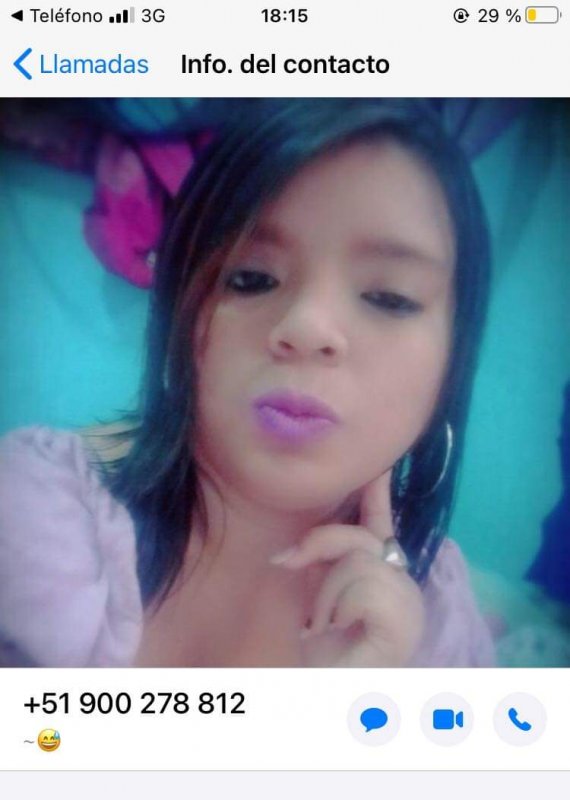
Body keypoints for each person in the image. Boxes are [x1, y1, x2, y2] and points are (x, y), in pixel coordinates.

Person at [0, 99, 495, 667]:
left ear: (454, 360)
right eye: (251, 278)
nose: (306, 327)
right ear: (181, 314)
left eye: (388, 297)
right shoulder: (36, 511)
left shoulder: (439, 628)